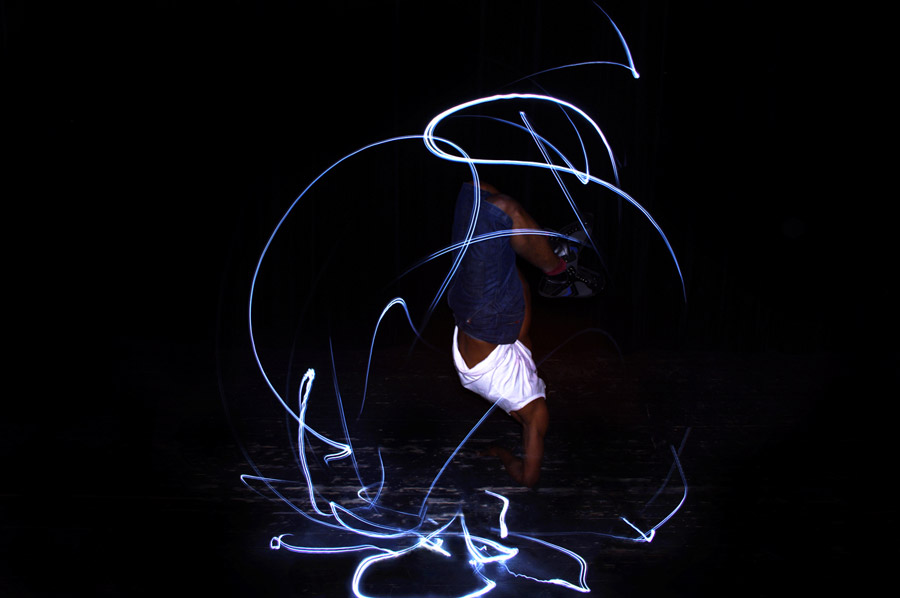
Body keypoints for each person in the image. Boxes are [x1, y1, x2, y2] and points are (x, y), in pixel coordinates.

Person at [447, 181, 598, 488]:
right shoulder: (522, 367)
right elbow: (522, 290)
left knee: (497, 205)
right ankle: (554, 264)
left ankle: (558, 270)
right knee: (480, 192)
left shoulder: (534, 409)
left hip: (477, 319)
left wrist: (500, 453)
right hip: (474, 316)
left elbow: (529, 479)